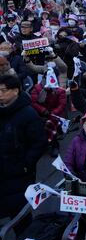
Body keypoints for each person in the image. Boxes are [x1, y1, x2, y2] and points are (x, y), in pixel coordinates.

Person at [0, 74, 46, 219]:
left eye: (3, 90)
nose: (0, 94)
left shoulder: (28, 114)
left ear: (16, 91)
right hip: (2, 170)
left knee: (19, 214)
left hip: (19, 173)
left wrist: (25, 165)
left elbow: (39, 143)